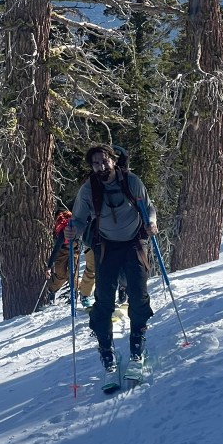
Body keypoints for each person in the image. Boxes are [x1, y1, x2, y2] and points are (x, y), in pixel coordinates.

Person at [67, 145, 158, 375]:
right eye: (96, 163)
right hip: (106, 246)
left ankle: (137, 342)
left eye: (104, 161)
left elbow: (148, 207)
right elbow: (78, 220)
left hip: (134, 242)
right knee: (104, 299)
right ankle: (106, 349)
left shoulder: (131, 181)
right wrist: (73, 231)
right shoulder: (88, 189)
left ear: (113, 161)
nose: (101, 166)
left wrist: (152, 222)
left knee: (138, 293)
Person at [45, 209, 96, 305]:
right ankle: (52, 290)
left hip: (73, 250)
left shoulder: (73, 228)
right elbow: (56, 249)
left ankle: (74, 292)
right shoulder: (64, 231)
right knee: (61, 274)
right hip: (64, 251)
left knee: (72, 273)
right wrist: (49, 266)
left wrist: (49, 266)